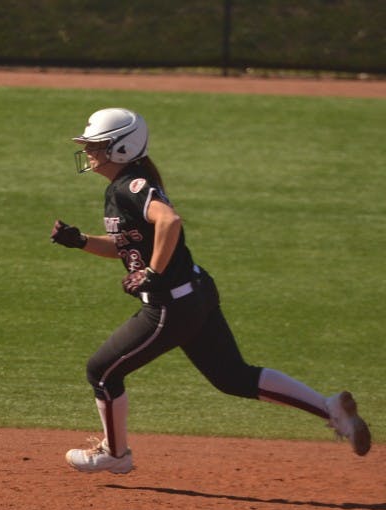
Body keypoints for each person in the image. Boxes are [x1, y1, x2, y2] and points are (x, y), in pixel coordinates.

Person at [48, 108, 372, 473]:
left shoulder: (130, 186)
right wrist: (81, 241)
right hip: (195, 294)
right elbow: (126, 245)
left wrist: (154, 272)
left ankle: (115, 454)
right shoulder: (126, 185)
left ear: (121, 147)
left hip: (171, 306)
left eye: (96, 145)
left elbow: (169, 222)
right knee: (233, 377)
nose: (89, 151)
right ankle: (330, 409)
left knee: (102, 371)